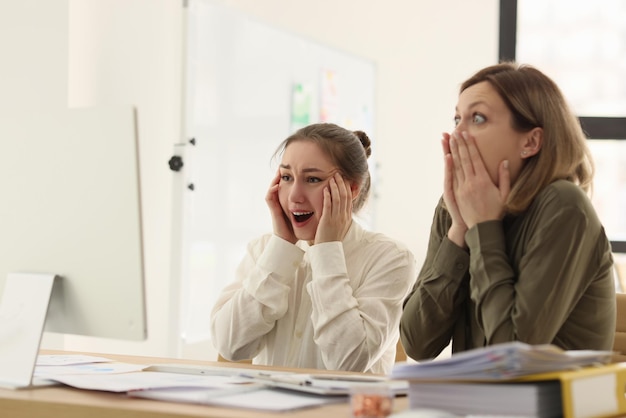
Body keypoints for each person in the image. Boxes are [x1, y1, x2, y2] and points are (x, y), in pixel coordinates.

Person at [400, 62, 616, 361]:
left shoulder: (565, 205)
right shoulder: (454, 207)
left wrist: (484, 227)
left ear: (531, 141)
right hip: (475, 404)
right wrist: (459, 231)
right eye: (456, 119)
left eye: (477, 118)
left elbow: (512, 354)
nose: (457, 135)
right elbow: (417, 344)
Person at [211, 122, 416, 374]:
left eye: (312, 179)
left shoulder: (391, 259)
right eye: (286, 177)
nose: (294, 195)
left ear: (351, 189)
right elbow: (230, 345)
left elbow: (348, 363)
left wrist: (327, 251)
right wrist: (281, 249)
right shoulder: (264, 250)